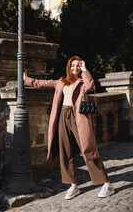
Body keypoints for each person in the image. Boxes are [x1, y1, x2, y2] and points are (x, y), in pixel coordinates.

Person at [24, 56, 114, 200]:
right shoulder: (61, 82)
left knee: (88, 150)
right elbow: (41, 83)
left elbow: (91, 86)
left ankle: (107, 184)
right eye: (73, 66)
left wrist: (85, 70)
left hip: (78, 118)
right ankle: (73, 186)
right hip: (63, 117)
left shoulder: (82, 82)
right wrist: (26, 79)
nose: (75, 68)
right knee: (66, 151)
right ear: (68, 67)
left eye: (77, 66)